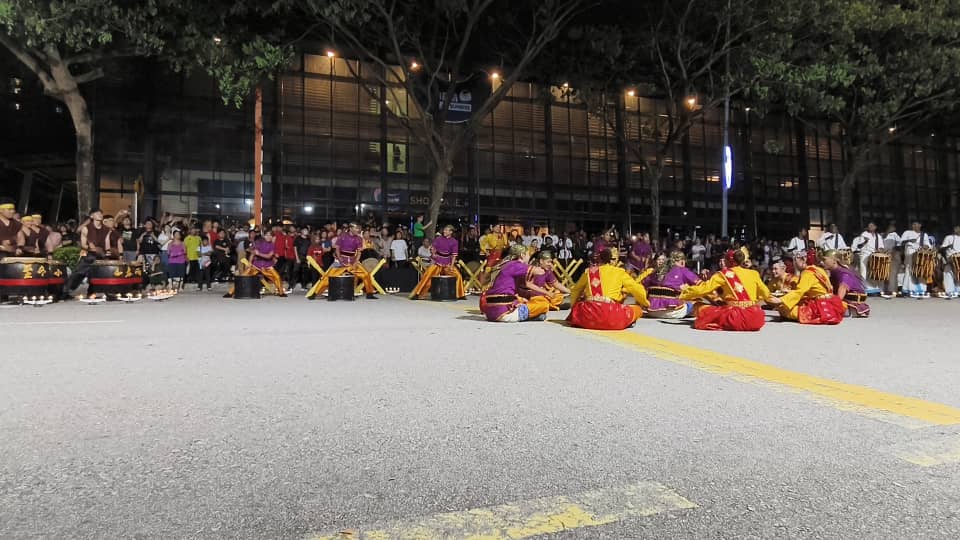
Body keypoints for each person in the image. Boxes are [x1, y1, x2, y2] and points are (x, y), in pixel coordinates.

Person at [679, 250, 775, 331]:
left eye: (724, 259)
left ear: (729, 261)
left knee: (698, 306)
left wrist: (685, 293)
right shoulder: (753, 273)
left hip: (736, 317)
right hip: (756, 318)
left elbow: (704, 289)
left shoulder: (722, 274)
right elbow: (766, 293)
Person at [567, 249, 650, 330]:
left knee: (579, 305)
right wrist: (645, 303)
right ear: (610, 260)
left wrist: (573, 308)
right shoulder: (619, 272)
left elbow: (575, 291)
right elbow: (636, 288)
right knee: (637, 309)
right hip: (612, 316)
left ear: (599, 259)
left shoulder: (589, 271)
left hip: (588, 316)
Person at [479, 244, 551, 322]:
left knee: (524, 301)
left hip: (489, 313)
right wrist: (548, 265)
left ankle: (531, 316)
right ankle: (529, 316)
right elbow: (539, 272)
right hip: (504, 313)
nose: (529, 257)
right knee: (544, 304)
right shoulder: (516, 265)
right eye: (528, 254)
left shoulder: (503, 264)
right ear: (522, 255)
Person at [307, 223, 377, 299]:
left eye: (359, 228)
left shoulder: (359, 239)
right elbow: (337, 248)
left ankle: (369, 294)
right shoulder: (342, 236)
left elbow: (359, 252)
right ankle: (315, 293)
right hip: (341, 261)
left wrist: (356, 262)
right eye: (356, 228)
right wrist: (340, 259)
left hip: (352, 262)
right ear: (351, 228)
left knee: (366, 274)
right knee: (327, 276)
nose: (358, 230)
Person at [776, 251, 844, 324]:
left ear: (803, 260)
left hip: (819, 306)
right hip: (830, 303)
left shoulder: (807, 273)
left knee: (783, 308)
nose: (794, 264)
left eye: (795, 261)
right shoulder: (818, 270)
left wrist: (782, 300)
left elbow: (799, 292)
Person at [64, 209, 117, 294]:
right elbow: (83, 244)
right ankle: (65, 291)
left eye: (101, 213)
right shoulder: (86, 228)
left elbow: (107, 243)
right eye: (97, 213)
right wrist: (92, 248)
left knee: (98, 273)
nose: (100, 215)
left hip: (101, 254)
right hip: (89, 254)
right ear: (92, 216)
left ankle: (92, 292)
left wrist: (107, 253)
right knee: (78, 273)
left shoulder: (107, 229)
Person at [410, 225, 465, 300]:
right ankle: (418, 293)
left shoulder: (454, 241)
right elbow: (433, 248)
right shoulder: (438, 239)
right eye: (444, 230)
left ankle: (460, 294)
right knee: (427, 275)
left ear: (451, 232)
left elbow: (454, 255)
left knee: (458, 275)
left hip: (447, 262)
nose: (444, 231)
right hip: (437, 261)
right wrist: (433, 254)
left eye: (447, 230)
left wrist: (452, 266)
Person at [645, 251, 700, 318]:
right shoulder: (682, 270)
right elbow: (701, 285)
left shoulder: (656, 271)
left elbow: (644, 285)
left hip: (651, 312)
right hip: (673, 312)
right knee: (697, 303)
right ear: (682, 261)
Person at [822, 249, 870, 317]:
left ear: (834, 261)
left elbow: (842, 289)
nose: (822, 262)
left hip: (851, 303)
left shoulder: (843, 273)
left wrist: (833, 304)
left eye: (824, 260)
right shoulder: (833, 271)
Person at [900, 221, 935, 299]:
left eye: (916, 224)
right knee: (909, 270)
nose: (915, 226)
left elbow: (928, 245)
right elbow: (901, 242)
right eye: (913, 224)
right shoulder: (907, 232)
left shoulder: (924, 235)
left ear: (920, 225)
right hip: (910, 252)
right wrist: (909, 240)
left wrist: (926, 246)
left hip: (920, 253)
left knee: (921, 270)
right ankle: (907, 290)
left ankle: (921, 290)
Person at [851, 221, 884, 295]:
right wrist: (865, 241)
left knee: (874, 271)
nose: (870, 227)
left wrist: (880, 250)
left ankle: (874, 289)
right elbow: (859, 246)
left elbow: (881, 247)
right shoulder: (864, 234)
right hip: (865, 254)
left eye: (872, 226)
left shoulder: (878, 236)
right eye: (869, 226)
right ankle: (863, 289)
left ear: (875, 227)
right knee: (864, 271)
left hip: (874, 254)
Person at [940, 225, 960, 299]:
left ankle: (958, 291)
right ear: (954, 229)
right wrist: (948, 246)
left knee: (958, 275)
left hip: (959, 259)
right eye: (956, 229)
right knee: (948, 275)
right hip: (950, 258)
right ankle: (950, 292)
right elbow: (941, 249)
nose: (958, 230)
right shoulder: (949, 237)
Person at [883, 222, 902, 298]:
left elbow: (899, 246)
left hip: (893, 255)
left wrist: (893, 250)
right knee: (883, 273)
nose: (893, 228)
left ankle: (893, 290)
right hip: (883, 255)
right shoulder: (881, 235)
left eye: (893, 227)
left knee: (892, 274)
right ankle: (884, 289)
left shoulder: (895, 235)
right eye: (891, 226)